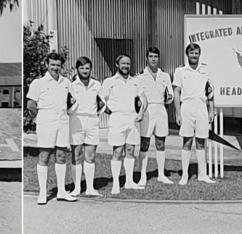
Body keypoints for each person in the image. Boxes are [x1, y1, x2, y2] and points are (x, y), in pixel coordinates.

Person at [26, 52, 78, 205]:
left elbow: (73, 101)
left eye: (58, 65)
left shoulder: (66, 82)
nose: (55, 68)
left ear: (61, 66)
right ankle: (43, 193)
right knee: (44, 156)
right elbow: (30, 105)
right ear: (46, 65)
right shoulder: (38, 83)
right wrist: (39, 117)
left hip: (62, 120)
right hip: (46, 120)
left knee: (61, 155)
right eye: (52, 65)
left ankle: (61, 191)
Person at [99, 54, 148, 194]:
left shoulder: (136, 81)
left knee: (131, 150)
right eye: (123, 63)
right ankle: (115, 183)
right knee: (118, 151)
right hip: (117, 118)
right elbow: (101, 101)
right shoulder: (109, 81)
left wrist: (141, 113)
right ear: (117, 64)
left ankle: (129, 181)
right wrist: (111, 112)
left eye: (128, 63)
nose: (126, 66)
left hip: (132, 119)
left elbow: (143, 99)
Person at [173, 43, 216, 185]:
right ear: (187, 54)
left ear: (199, 54)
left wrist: (211, 110)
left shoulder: (206, 70)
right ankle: (184, 175)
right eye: (191, 53)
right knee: (187, 141)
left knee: (201, 140)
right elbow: (177, 92)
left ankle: (202, 174)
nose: (194, 56)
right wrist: (178, 113)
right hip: (187, 107)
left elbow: (210, 92)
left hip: (201, 107)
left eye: (196, 53)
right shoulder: (180, 71)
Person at [136, 47, 175, 186]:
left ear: (158, 58)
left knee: (160, 143)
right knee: (144, 144)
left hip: (160, 109)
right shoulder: (140, 77)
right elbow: (138, 97)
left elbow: (170, 95)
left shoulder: (165, 76)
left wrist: (169, 97)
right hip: (146, 111)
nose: (153, 59)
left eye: (156, 57)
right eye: (151, 56)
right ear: (146, 58)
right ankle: (142, 176)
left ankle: (161, 175)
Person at [67, 56, 104, 197]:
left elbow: (101, 104)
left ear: (91, 69)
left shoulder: (97, 84)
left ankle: (90, 188)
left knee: (91, 155)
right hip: (76, 120)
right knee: (76, 155)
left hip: (92, 121)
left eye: (87, 68)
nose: (84, 70)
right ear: (77, 69)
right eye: (81, 68)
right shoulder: (71, 85)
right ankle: (76, 187)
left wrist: (97, 114)